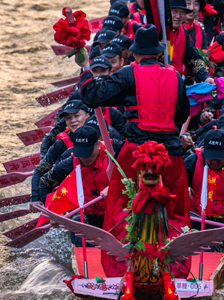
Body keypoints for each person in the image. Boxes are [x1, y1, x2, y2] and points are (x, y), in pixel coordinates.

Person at [79, 26, 191, 235]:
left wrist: (86, 67)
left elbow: (92, 96)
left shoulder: (128, 73)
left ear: (134, 54)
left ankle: (127, 259)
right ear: (159, 53)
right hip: (170, 154)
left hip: (136, 154)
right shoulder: (175, 76)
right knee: (176, 212)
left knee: (122, 207)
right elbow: (182, 115)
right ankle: (172, 258)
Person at [36, 124, 123, 230]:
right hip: (86, 214)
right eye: (81, 153)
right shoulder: (68, 164)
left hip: (116, 211)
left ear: (99, 144)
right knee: (77, 222)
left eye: (88, 153)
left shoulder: (114, 154)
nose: (85, 158)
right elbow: (44, 182)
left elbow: (138, 174)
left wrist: (117, 187)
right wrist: (53, 212)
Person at [31, 98, 91, 203]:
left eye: (77, 116)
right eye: (68, 118)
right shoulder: (61, 143)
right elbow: (40, 170)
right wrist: (35, 198)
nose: (73, 121)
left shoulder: (103, 133)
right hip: (72, 193)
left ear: (88, 116)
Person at [166, 0, 211, 82]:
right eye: (174, 12)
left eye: (182, 12)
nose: (178, 16)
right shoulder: (155, 30)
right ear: (166, 11)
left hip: (177, 82)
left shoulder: (183, 31)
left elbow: (192, 57)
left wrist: (206, 77)